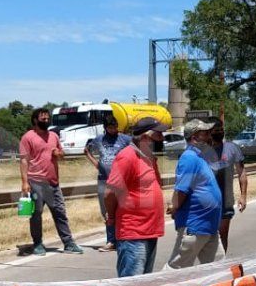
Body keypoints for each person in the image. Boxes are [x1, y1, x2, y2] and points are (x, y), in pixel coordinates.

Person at [104, 117, 168, 277]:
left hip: (150, 231)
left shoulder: (149, 157)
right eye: (158, 134)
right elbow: (110, 193)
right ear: (145, 137)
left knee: (144, 284)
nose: (162, 138)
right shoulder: (127, 157)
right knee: (132, 285)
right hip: (133, 233)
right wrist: (111, 217)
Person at [19, 108, 83, 256]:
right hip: (35, 182)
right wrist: (25, 183)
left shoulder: (54, 135)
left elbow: (62, 154)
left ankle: (68, 243)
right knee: (36, 214)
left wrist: (58, 153)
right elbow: (24, 161)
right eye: (43, 119)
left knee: (60, 213)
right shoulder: (27, 137)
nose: (46, 121)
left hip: (53, 183)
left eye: (48, 118)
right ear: (35, 120)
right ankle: (38, 244)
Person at [165, 120, 224, 269]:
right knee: (176, 270)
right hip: (195, 225)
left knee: (218, 269)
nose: (209, 137)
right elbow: (182, 189)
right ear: (194, 138)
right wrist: (175, 207)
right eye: (205, 134)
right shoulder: (189, 157)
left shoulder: (200, 157)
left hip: (210, 227)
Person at [84, 114, 131, 252]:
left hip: (121, 180)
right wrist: (96, 164)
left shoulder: (125, 140)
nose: (113, 130)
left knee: (123, 209)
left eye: (115, 127)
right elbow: (87, 150)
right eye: (110, 128)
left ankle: (123, 238)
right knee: (106, 211)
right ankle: (111, 241)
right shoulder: (99, 140)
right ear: (105, 128)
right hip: (104, 179)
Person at [203, 118, 248, 253]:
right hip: (206, 202)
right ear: (209, 132)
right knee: (206, 237)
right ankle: (208, 262)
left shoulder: (232, 148)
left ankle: (220, 262)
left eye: (221, 129)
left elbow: (241, 172)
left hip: (225, 201)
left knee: (222, 235)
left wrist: (243, 196)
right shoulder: (201, 151)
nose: (219, 132)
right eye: (216, 130)